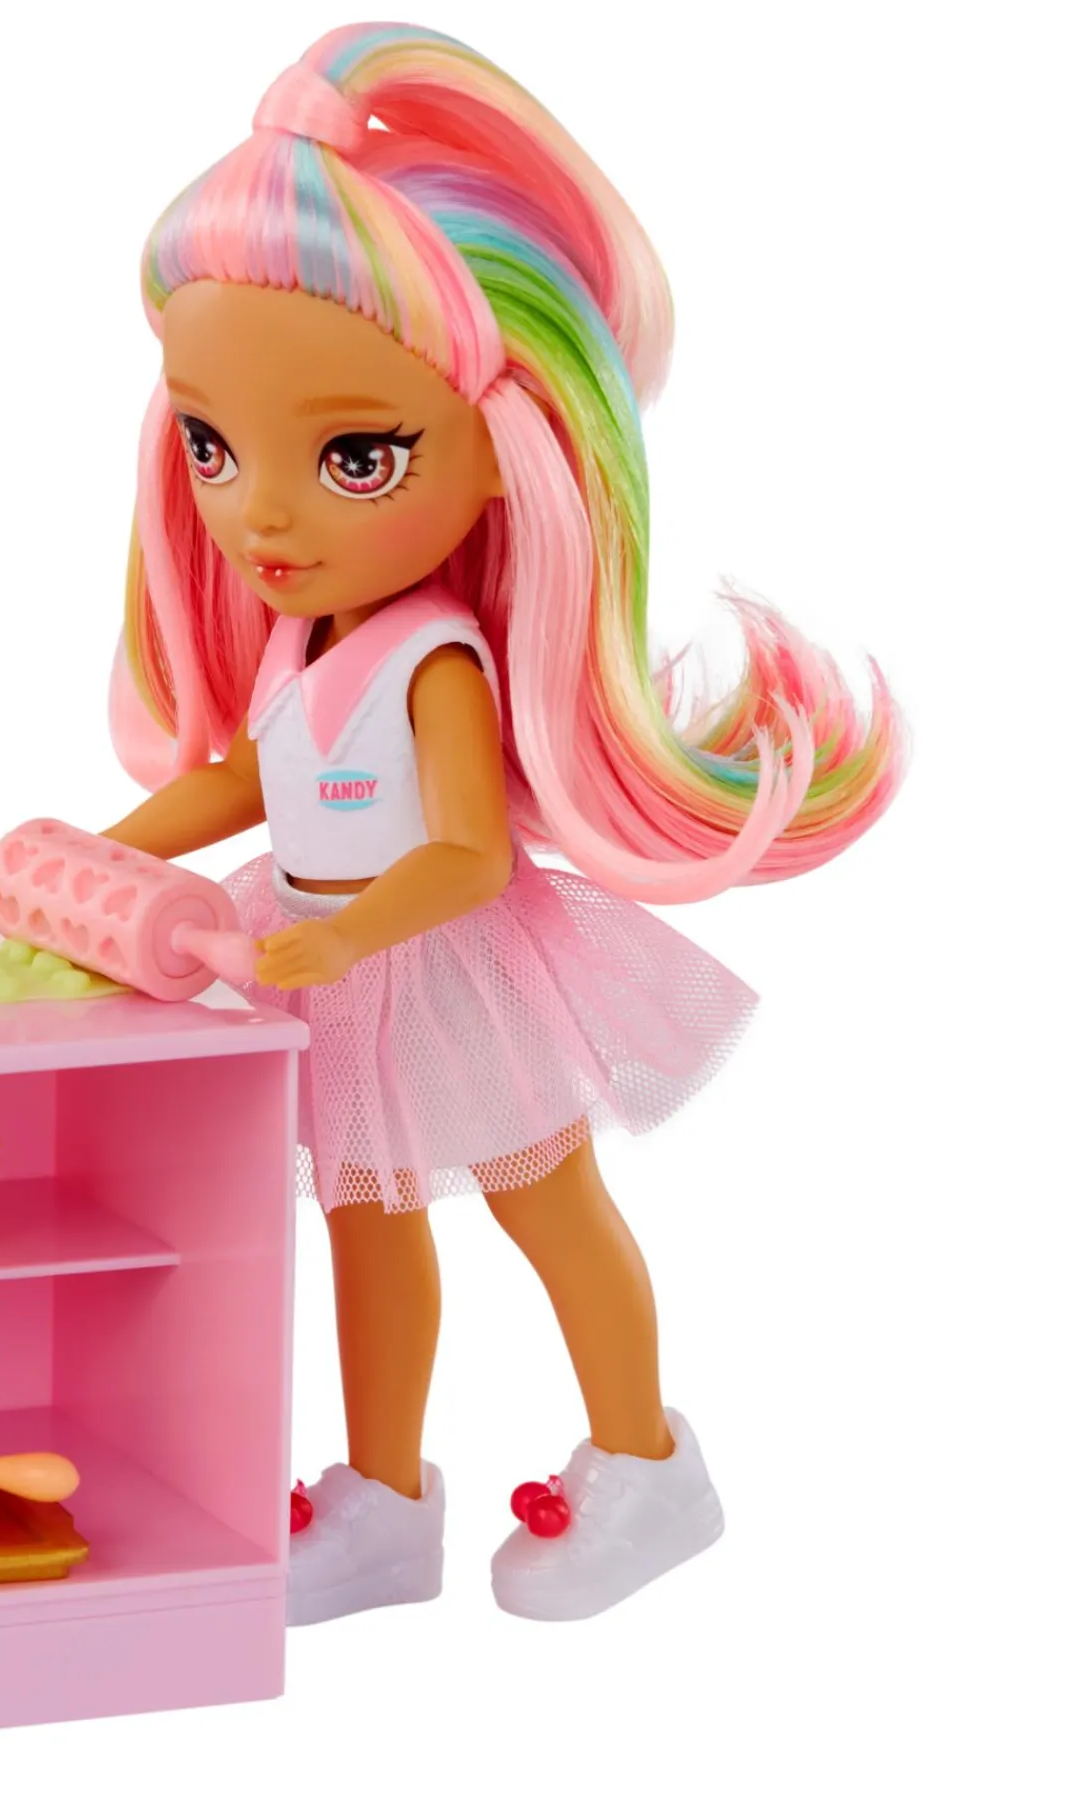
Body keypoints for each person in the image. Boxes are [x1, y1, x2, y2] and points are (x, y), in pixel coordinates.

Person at [96, 23, 903, 1626]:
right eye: (212, 444)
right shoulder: (297, 638)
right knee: (367, 1231)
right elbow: (251, 778)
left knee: (551, 1207)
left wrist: (341, 932)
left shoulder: (438, 661)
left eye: (354, 455)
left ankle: (651, 1465)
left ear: (500, 453)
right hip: (327, 952)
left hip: (445, 962)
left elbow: (467, 854)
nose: (261, 507)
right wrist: (117, 847)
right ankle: (384, 1499)